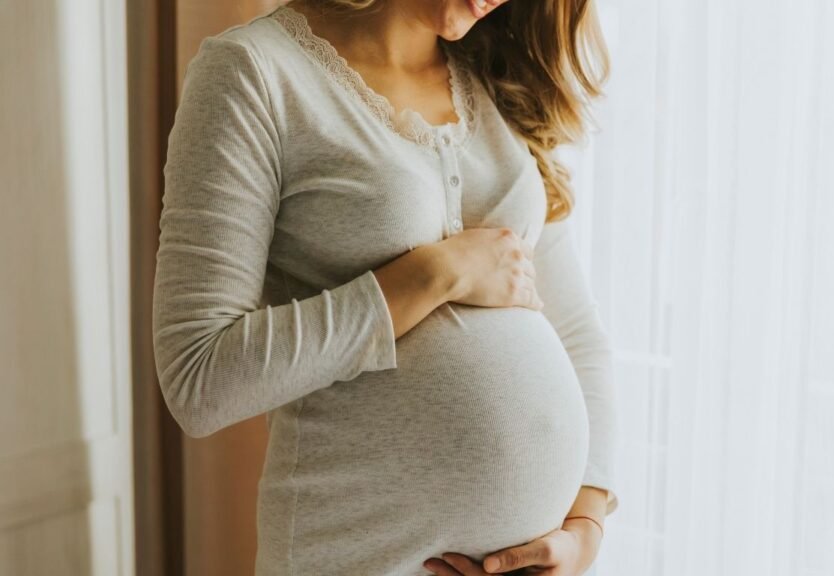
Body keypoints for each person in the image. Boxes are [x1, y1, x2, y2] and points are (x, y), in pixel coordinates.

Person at [151, 0, 619, 573]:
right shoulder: (254, 73)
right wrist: (432, 277)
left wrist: (584, 529)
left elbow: (576, 335)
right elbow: (198, 380)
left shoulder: (495, 74)